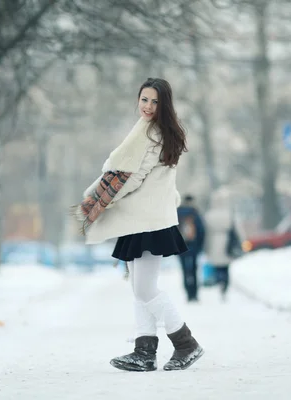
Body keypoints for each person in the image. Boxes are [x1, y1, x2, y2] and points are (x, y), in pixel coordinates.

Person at [73, 78, 204, 372]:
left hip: (148, 221)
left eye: (155, 102)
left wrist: (99, 200)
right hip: (143, 219)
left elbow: (132, 176)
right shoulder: (156, 131)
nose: (147, 106)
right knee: (139, 288)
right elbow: (164, 183)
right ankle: (144, 351)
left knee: (145, 288)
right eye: (144, 99)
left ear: (164, 105)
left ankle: (186, 343)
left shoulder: (152, 133)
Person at [203, 189, 243, 301]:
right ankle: (224, 285)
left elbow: (206, 231)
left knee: (217, 266)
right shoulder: (228, 213)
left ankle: (219, 282)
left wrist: (206, 247)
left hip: (213, 241)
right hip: (226, 242)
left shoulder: (209, 214)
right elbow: (236, 229)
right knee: (226, 267)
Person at [176, 195, 205, 302]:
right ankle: (194, 294)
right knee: (193, 269)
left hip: (181, 247)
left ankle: (188, 293)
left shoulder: (177, 213)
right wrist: (200, 246)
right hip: (194, 246)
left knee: (184, 270)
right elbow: (201, 230)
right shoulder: (195, 213)